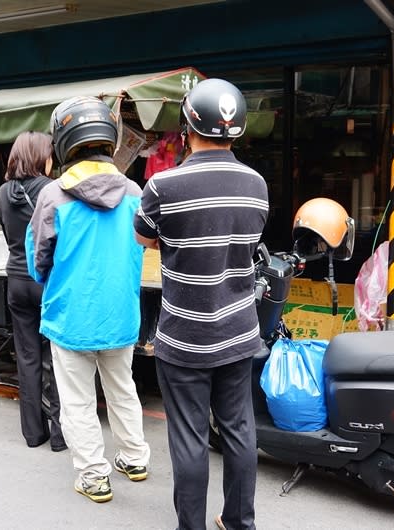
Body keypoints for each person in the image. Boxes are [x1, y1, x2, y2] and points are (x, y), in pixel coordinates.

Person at [134, 78, 268, 530]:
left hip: (184, 336)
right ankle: (238, 522)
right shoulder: (257, 184)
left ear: (187, 125)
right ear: (238, 129)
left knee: (189, 440)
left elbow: (142, 237)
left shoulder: (163, 185)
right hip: (238, 331)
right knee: (239, 431)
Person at [27, 96, 150, 503]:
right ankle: (134, 458)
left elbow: (38, 258)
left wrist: (54, 280)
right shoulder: (135, 191)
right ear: (109, 141)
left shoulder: (53, 195)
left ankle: (94, 477)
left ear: (64, 142)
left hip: (70, 315)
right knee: (123, 388)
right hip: (120, 313)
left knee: (78, 401)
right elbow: (142, 246)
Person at [0, 131, 65, 452]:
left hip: (16, 281)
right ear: (41, 157)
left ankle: (33, 433)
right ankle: (60, 434)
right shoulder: (52, 190)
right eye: (50, 154)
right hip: (46, 280)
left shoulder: (2, 193)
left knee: (26, 358)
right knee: (56, 356)